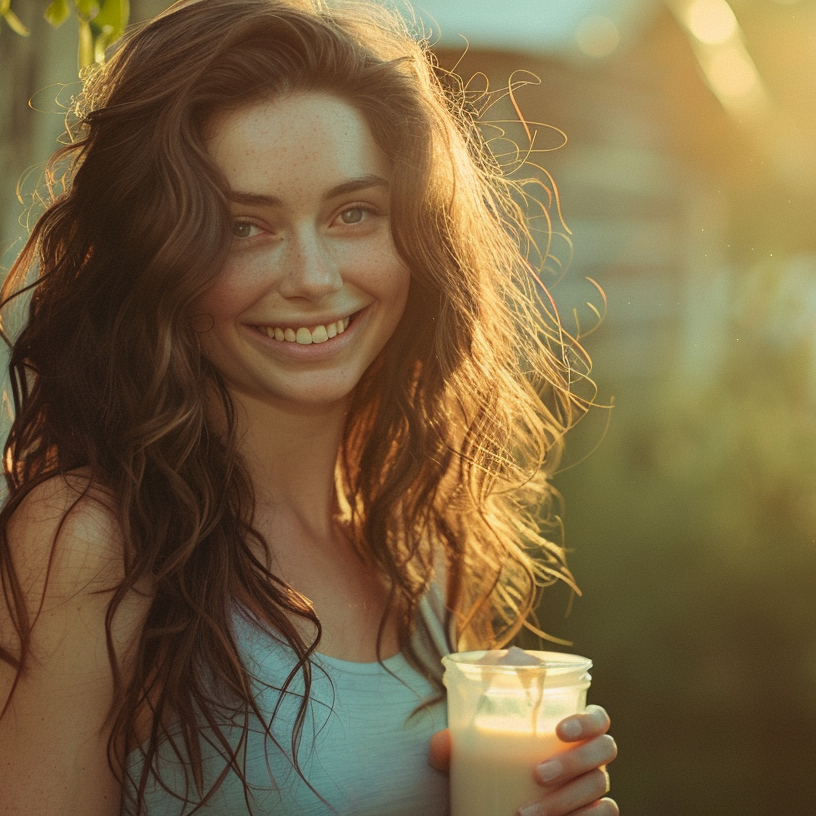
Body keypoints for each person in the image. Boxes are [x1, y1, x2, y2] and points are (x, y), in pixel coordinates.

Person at [0, 0, 618, 814]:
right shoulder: (96, 545)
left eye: (352, 213)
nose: (313, 275)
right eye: (243, 226)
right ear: (157, 254)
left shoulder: (417, 537)